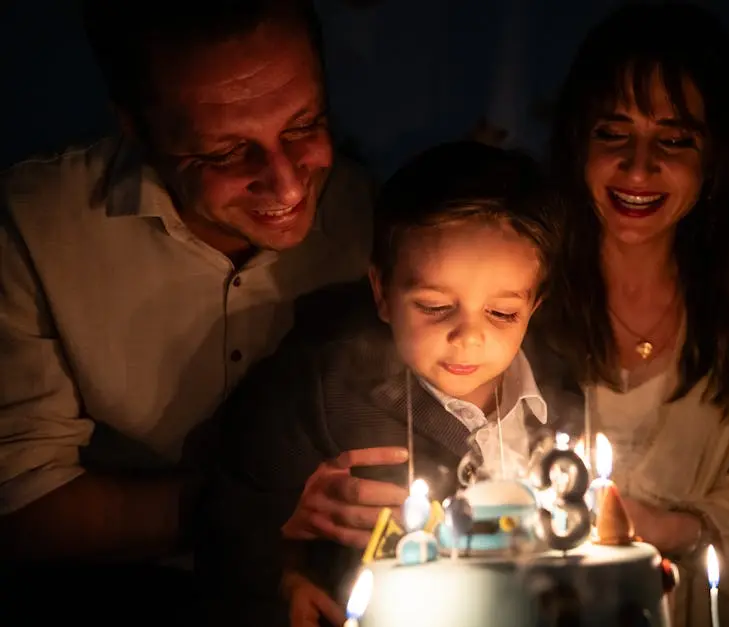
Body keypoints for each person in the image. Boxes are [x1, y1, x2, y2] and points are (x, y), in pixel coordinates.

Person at [0, 0, 374, 622]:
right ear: (137, 128)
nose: (287, 185)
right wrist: (254, 508)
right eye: (226, 154)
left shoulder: (371, 217)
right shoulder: (33, 228)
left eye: (305, 125)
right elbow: (19, 510)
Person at [198, 141, 577, 626]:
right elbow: (228, 513)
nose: (468, 336)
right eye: (435, 306)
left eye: (502, 313)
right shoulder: (325, 391)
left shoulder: (557, 398)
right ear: (382, 293)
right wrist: (281, 580)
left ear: (533, 308)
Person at [543, 4, 729, 626]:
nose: (639, 167)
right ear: (577, 141)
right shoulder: (527, 287)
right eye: (613, 133)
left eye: (673, 139)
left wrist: (672, 529)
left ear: (717, 155)